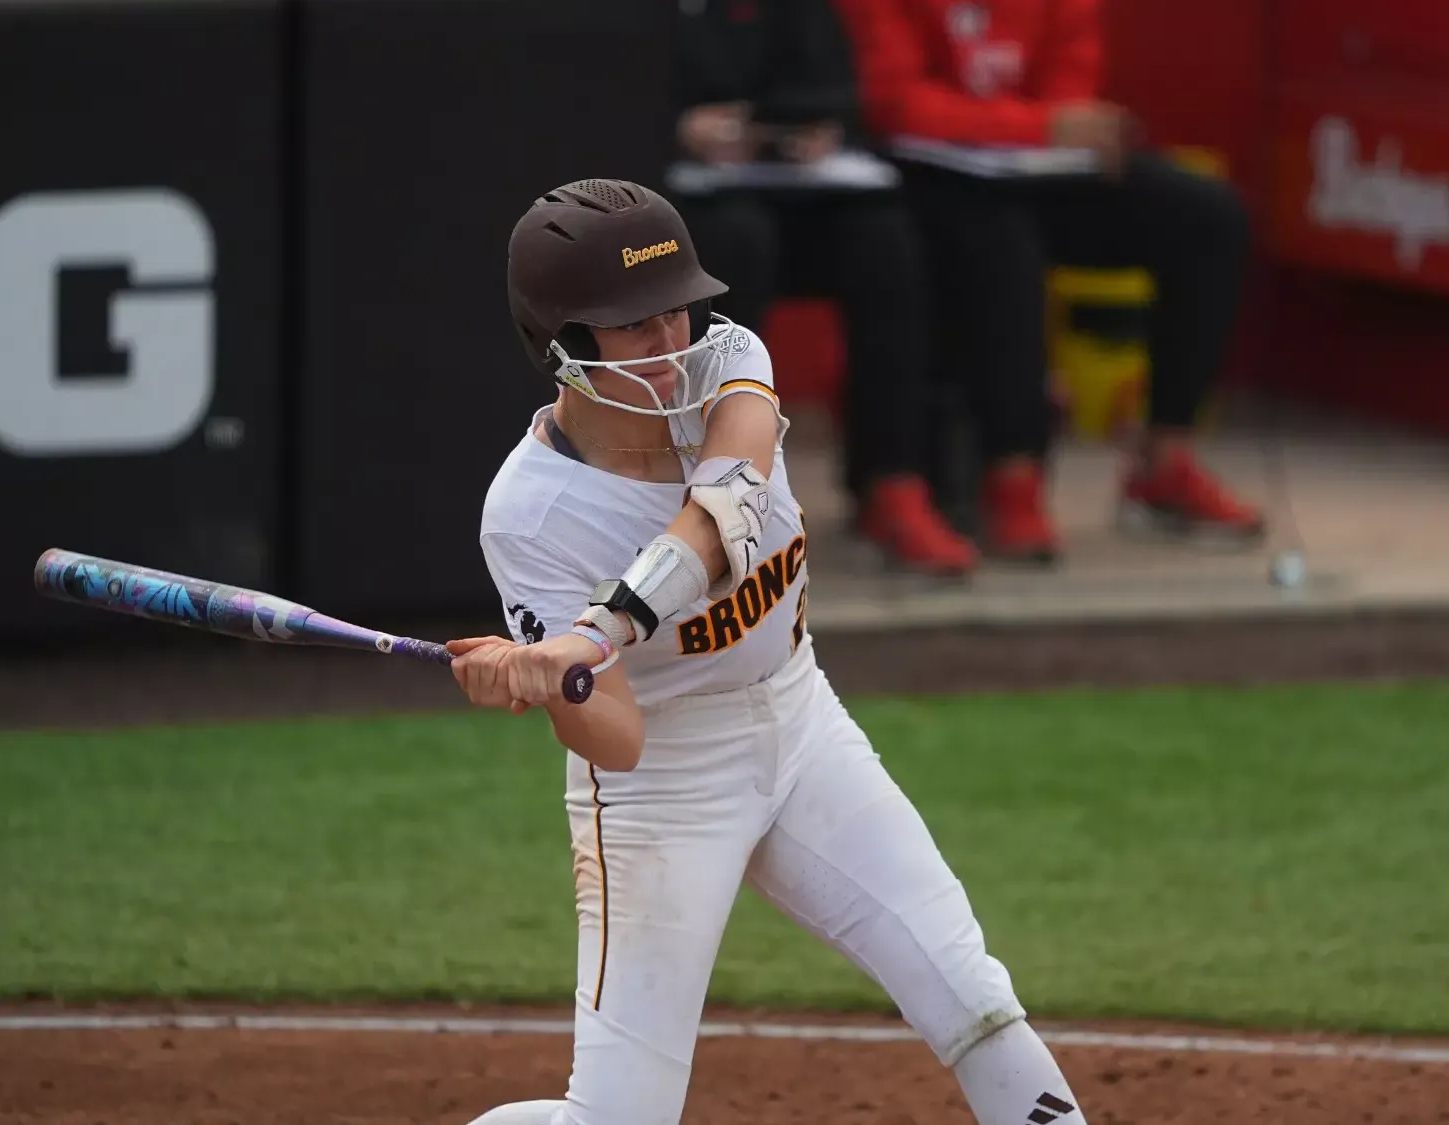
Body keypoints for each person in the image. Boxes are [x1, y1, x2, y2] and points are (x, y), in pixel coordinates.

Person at [453, 179, 1091, 1125]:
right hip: (665, 787)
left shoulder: (732, 363)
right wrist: (554, 681)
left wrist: (600, 628)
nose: (671, 347)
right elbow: (618, 740)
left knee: (972, 994)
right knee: (620, 1119)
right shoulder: (531, 514)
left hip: (802, 722)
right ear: (563, 346)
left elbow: (722, 518)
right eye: (635, 329)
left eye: (678, 311)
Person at [835, 0, 1267, 563]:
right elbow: (893, 103)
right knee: (1002, 234)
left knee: (1209, 217)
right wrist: (1036, 126)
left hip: (1034, 163)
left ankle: (1163, 463)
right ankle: (1013, 480)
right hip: (928, 178)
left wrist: (1060, 128)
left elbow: (1070, 83)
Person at [673, 0, 978, 576]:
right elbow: (592, 93)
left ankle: (891, 481)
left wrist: (817, 130)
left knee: (884, 242)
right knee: (738, 245)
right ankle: (717, 495)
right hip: (691, 199)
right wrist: (679, 129)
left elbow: (844, 94)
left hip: (800, 190)